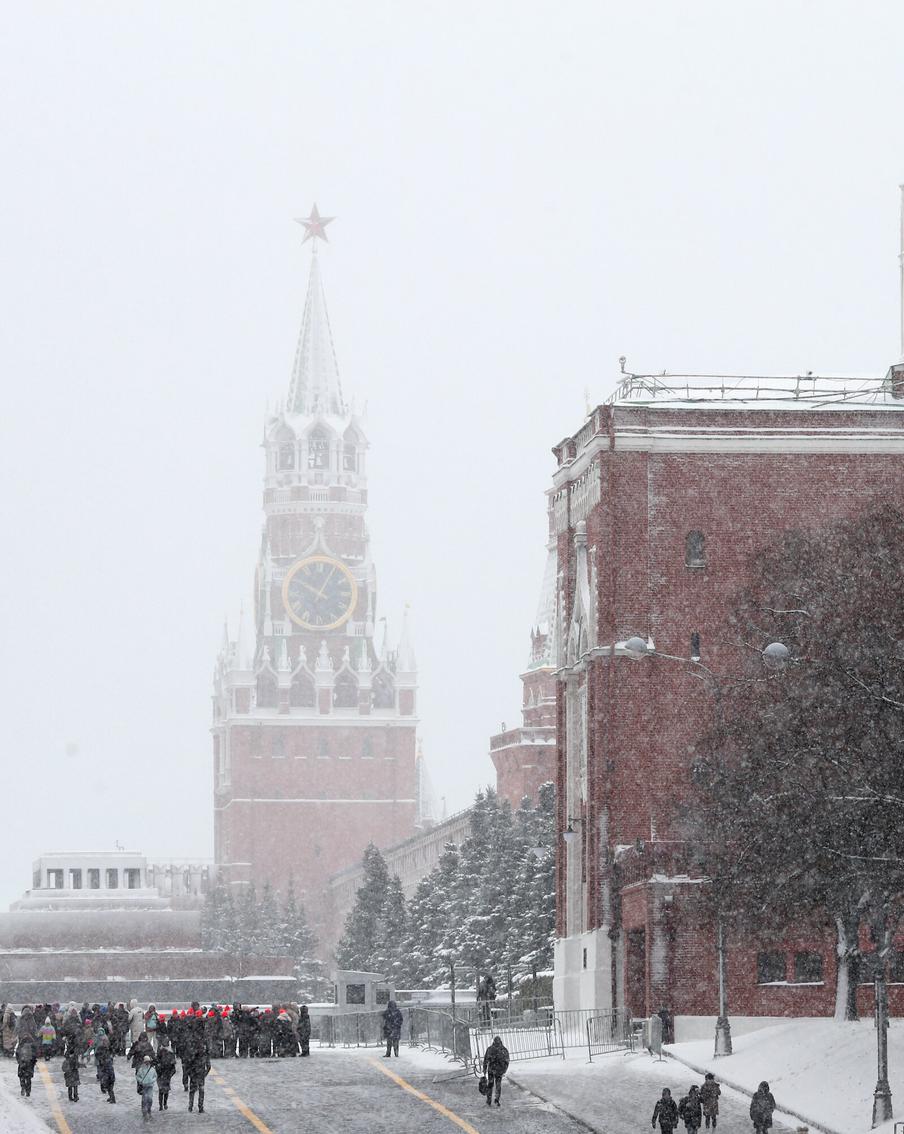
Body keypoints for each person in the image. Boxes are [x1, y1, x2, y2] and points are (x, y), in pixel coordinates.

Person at [185, 1016, 211, 1113]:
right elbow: (207, 1051)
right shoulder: (203, 1038)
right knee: (201, 1087)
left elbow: (188, 1052)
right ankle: (200, 1107)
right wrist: (207, 1065)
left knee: (193, 1087)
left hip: (194, 1065)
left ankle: (191, 1106)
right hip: (200, 1065)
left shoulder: (191, 1036)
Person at [482, 1035, 510, 1108]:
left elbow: (485, 1060)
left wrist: (484, 1069)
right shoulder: (504, 1050)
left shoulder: (490, 1049)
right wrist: (504, 1070)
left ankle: (489, 1100)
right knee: (498, 1085)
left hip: (491, 1070)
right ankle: (496, 1100)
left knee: (490, 1085)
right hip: (499, 1071)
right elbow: (507, 1061)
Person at [155, 1038, 176, 1111]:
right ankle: (163, 1104)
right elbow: (174, 1068)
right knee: (164, 1090)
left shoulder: (163, 1052)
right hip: (164, 1074)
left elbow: (173, 1068)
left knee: (162, 1090)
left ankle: (162, 1104)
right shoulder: (168, 1053)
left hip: (163, 1074)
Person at [136, 1054, 158, 1122]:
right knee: (144, 1099)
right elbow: (137, 1076)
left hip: (150, 1086)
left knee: (150, 1099)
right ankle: (144, 1112)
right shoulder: (141, 1069)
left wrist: (152, 1081)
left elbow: (155, 1076)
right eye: (146, 1061)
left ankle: (149, 1110)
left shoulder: (152, 1069)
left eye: (148, 1061)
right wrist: (141, 1081)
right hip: (144, 1086)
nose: (147, 1063)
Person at [96, 1036, 117, 1104]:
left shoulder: (107, 1049)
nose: (105, 1043)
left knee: (109, 1087)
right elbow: (97, 1055)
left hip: (108, 1072)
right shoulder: (101, 1048)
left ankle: (112, 1098)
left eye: (106, 1041)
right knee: (109, 1087)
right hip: (107, 1070)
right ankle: (111, 1097)